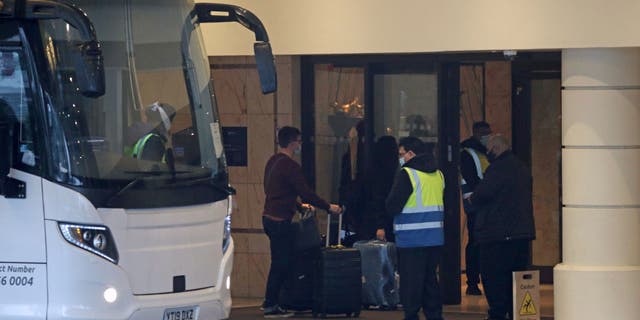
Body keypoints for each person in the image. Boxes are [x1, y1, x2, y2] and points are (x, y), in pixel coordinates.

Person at [262, 126, 342, 318]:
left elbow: (277, 191)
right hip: (281, 220)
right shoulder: (290, 166)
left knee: (279, 261)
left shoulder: (272, 161)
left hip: (268, 217)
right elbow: (305, 192)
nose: (300, 145)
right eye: (299, 141)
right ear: (292, 143)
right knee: (281, 263)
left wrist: (299, 207)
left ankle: (271, 301)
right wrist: (327, 206)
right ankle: (271, 304)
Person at [468, 135, 535, 320]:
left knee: (494, 278)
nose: (486, 152)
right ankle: (516, 313)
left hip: (497, 235)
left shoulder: (497, 169)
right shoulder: (521, 167)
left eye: (488, 149)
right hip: (521, 233)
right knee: (516, 278)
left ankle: (498, 313)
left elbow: (482, 194)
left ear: (495, 149)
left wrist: (471, 198)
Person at [385, 136, 445, 320]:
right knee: (430, 281)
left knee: (411, 283)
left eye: (401, 154)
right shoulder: (438, 174)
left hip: (411, 239)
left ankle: (411, 316)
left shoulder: (408, 174)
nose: (400, 158)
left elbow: (392, 205)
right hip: (434, 238)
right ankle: (435, 316)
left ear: (411, 154)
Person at [459, 121, 492, 295]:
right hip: (474, 204)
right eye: (484, 133)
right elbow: (472, 179)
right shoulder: (467, 153)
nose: (487, 136)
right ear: (475, 133)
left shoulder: (487, 153)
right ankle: (472, 282)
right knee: (475, 243)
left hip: (487, 204)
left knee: (484, 243)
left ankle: (483, 279)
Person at [363, 135, 399, 242]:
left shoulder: (372, 170)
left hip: (374, 220)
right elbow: (378, 199)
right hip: (383, 222)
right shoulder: (387, 173)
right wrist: (380, 225)